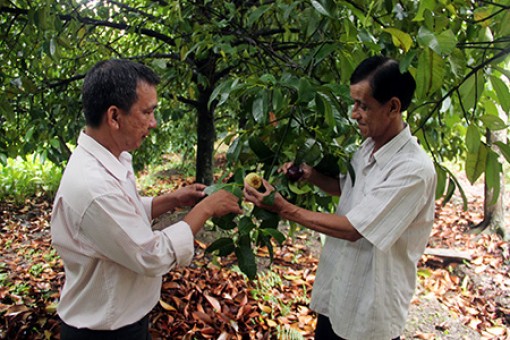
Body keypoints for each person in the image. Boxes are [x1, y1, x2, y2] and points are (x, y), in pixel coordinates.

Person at [244, 56, 437, 340]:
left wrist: (284, 208)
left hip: (369, 314)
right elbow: (348, 188)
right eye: (353, 103)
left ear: (393, 107)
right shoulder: (369, 146)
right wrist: (309, 175)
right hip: (340, 296)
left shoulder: (413, 170)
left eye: (363, 105)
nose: (354, 113)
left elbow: (354, 229)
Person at [50, 59, 243, 339]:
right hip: (105, 331)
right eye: (147, 112)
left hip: (123, 319)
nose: (153, 123)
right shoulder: (95, 187)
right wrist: (207, 209)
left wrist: (173, 199)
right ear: (114, 117)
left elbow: (124, 214)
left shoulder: (109, 158)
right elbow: (150, 255)